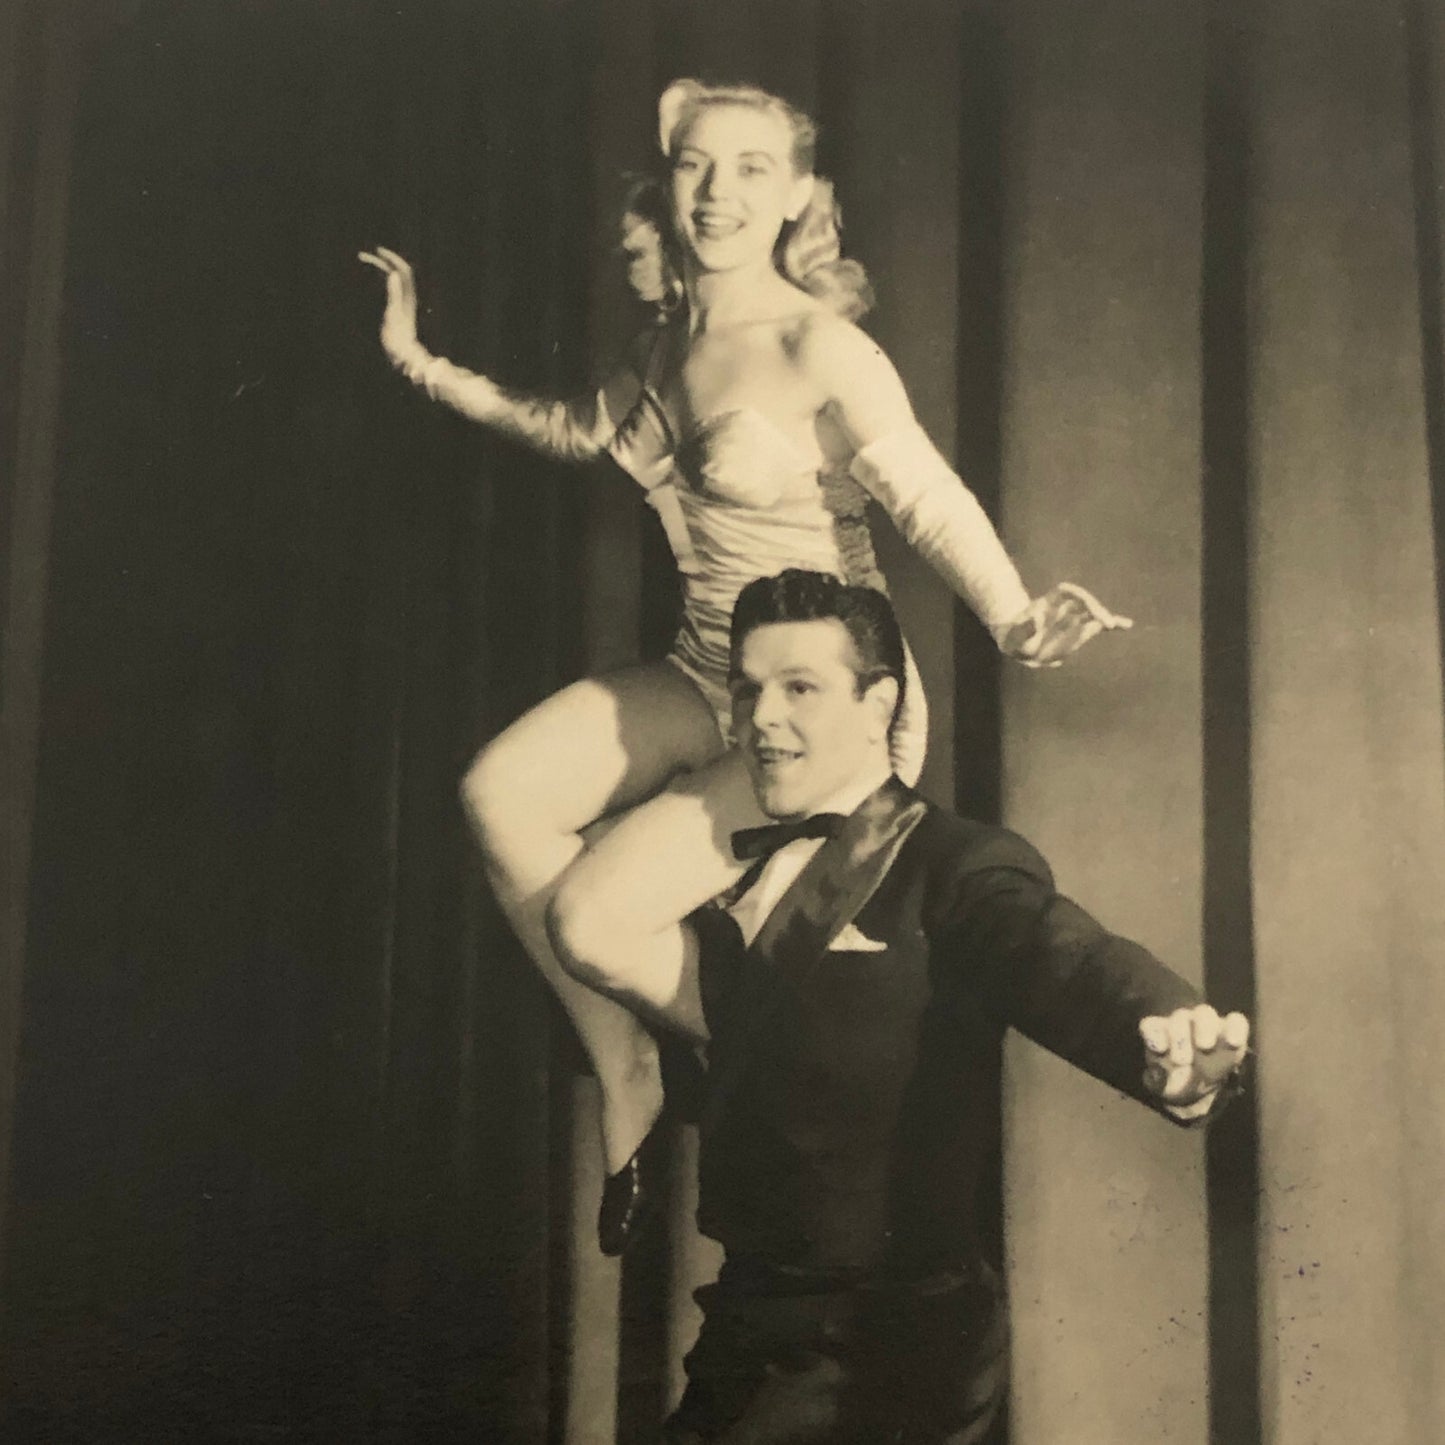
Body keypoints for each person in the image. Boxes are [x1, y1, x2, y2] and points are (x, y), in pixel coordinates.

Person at [359, 79, 1132, 1253]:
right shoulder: (663, 344)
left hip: (828, 696)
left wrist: (1015, 615)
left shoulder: (818, 343)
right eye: (695, 165)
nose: (719, 192)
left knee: (594, 920)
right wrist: (419, 361)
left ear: (795, 199)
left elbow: (924, 498)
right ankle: (629, 1068)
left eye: (752, 168)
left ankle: (761, 1061)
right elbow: (571, 428)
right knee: (497, 793)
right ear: (667, 183)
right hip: (705, 667)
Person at [640, 569, 1249, 1444]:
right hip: (752, 1316)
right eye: (748, 689)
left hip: (885, 1345)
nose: (760, 718)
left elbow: (1057, 953)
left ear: (877, 701)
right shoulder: (720, 867)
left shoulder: (957, 863)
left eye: (799, 688)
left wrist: (1163, 1032)